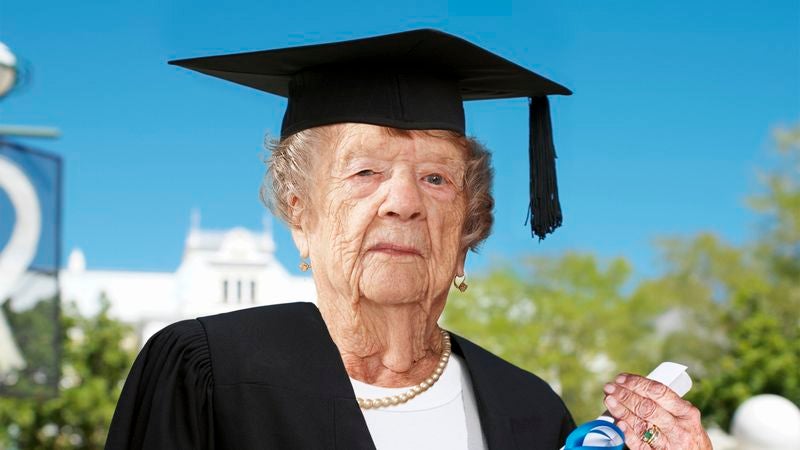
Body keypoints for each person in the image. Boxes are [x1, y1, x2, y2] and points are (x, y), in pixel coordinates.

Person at [105, 29, 712, 450]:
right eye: (365, 171)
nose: (403, 202)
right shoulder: (209, 373)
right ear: (299, 214)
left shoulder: (528, 411)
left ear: (470, 226)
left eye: (436, 178)